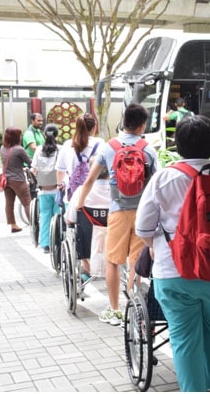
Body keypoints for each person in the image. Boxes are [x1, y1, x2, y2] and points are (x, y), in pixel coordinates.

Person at [135, 115, 210, 392]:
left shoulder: (164, 178)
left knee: (185, 339)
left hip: (175, 272)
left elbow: (142, 227)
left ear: (178, 145)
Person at [77, 103, 158, 326]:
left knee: (113, 261)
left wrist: (81, 204)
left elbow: (90, 179)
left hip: (118, 211)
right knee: (136, 261)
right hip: (143, 213)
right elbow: (157, 185)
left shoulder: (109, 147)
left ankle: (114, 309)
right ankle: (136, 307)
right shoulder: (148, 149)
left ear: (123, 122)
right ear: (142, 126)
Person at [65, 159, 111, 281]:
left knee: (76, 231)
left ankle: (87, 267)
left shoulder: (81, 192)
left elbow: (70, 219)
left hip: (88, 243)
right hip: (116, 242)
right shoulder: (117, 192)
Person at [55, 113, 104, 197]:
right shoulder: (100, 143)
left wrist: (59, 185)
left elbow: (60, 170)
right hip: (94, 192)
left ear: (77, 127)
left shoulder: (68, 144)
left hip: (73, 193)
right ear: (94, 127)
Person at [30, 124, 60, 254]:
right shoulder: (61, 149)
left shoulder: (38, 150)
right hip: (58, 189)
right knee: (58, 215)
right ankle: (59, 239)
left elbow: (34, 169)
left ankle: (45, 244)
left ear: (44, 135)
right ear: (57, 135)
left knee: (45, 216)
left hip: (43, 190)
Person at [0, 127, 32, 233]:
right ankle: (33, 225)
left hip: (6, 179)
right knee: (27, 202)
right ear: (16, 137)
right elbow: (29, 162)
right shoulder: (19, 149)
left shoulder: (2, 148)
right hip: (18, 180)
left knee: (9, 203)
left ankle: (13, 225)